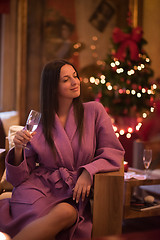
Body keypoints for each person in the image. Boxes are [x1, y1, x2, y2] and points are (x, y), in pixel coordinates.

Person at [0, 59, 124, 240]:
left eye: (75, 76)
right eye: (66, 79)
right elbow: (18, 179)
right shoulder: (39, 122)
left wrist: (88, 172)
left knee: (66, 213)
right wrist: (18, 148)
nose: (75, 82)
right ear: (52, 87)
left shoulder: (94, 111)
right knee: (39, 217)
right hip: (37, 190)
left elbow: (113, 151)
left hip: (73, 193)